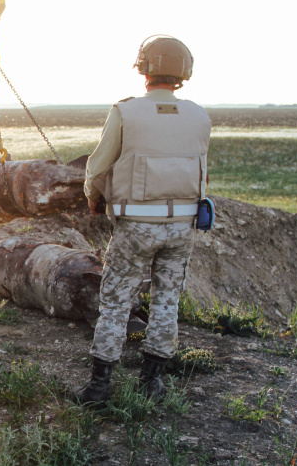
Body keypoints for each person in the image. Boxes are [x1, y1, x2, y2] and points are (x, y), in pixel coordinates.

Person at [75, 36, 212, 407]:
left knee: (117, 301)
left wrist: (93, 195)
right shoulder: (200, 114)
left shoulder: (126, 112)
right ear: (183, 72)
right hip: (182, 227)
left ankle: (98, 389)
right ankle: (151, 383)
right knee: (168, 301)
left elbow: (99, 165)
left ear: (144, 68)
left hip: (135, 226)